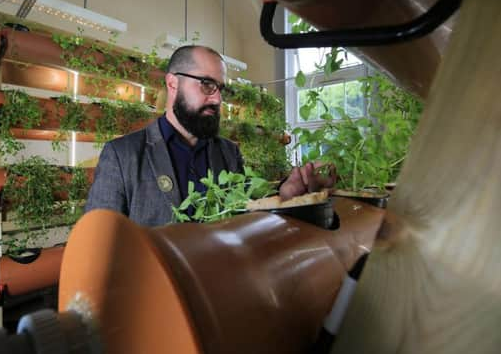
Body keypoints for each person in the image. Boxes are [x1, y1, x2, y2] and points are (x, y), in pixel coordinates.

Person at [85, 45, 334, 226]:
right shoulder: (122, 155)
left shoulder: (228, 153)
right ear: (173, 84)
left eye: (220, 88)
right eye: (206, 84)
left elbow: (246, 215)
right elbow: (98, 246)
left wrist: (285, 195)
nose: (217, 99)